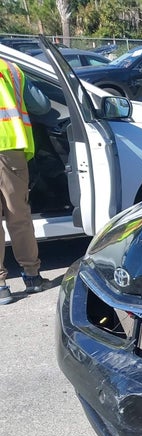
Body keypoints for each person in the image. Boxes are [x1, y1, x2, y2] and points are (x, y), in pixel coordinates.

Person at [0, 58, 47, 305]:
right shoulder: (11, 69)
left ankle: (0, 287)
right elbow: (42, 105)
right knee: (18, 215)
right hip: (10, 150)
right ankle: (32, 277)